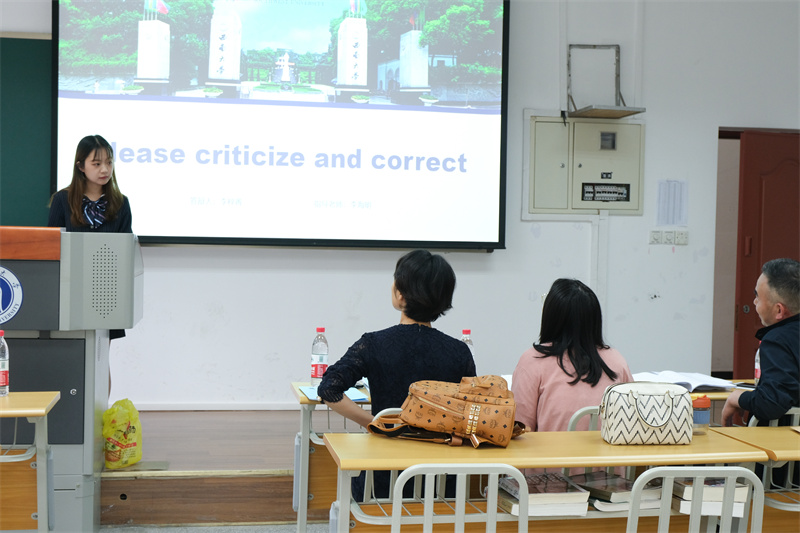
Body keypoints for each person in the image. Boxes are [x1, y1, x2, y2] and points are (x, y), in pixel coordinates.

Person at [317, 249, 476, 499]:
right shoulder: (459, 352)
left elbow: (328, 389)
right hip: (441, 489)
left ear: (400, 294)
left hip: (383, 485)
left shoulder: (374, 344)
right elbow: (472, 410)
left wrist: (375, 423)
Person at [48, 134, 133, 396]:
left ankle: (99, 417)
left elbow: (125, 251)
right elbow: (51, 247)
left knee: (99, 359)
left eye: (109, 162)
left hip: (106, 295)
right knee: (70, 358)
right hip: (70, 293)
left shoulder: (120, 203)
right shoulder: (63, 200)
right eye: (96, 163)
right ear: (80, 165)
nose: (105, 169)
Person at [511, 278, 633, 433]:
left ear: (550, 317)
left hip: (552, 450)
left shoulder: (533, 360)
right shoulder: (616, 360)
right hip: (605, 449)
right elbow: (632, 418)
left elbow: (520, 429)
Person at [722, 258, 800, 427]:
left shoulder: (776, 340)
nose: (754, 302)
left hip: (783, 439)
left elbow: (772, 402)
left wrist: (739, 398)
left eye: (757, 296)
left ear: (779, 310)